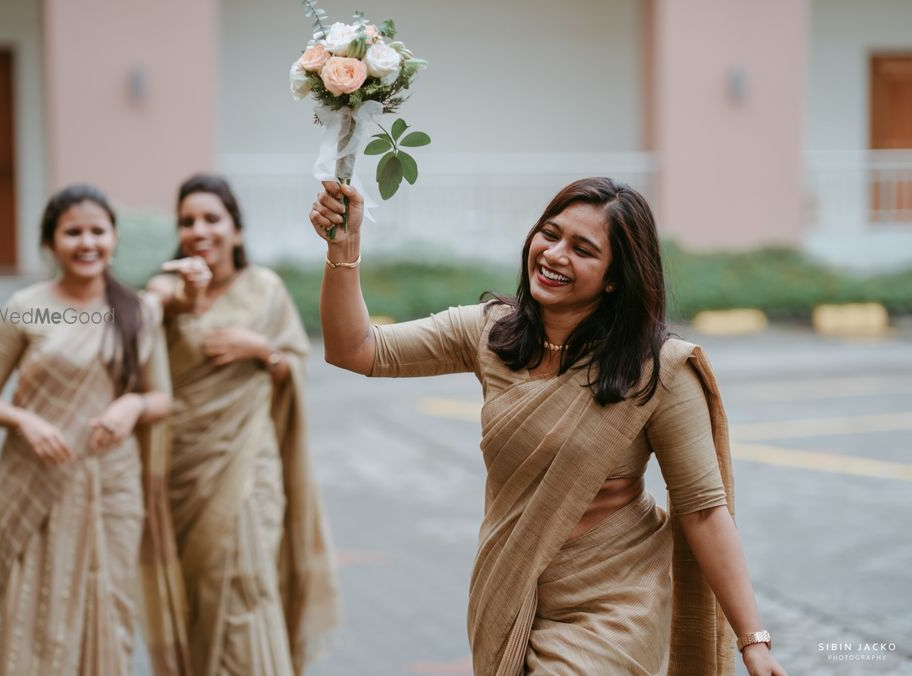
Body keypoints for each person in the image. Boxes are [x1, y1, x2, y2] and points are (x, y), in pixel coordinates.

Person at [309, 177, 788, 676]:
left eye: (582, 249)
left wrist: (752, 639)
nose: (555, 255)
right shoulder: (491, 332)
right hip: (511, 588)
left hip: (616, 598)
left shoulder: (658, 370)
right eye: (550, 234)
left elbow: (704, 511)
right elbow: (356, 349)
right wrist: (344, 247)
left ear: (614, 278)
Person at [0, 184, 189, 675]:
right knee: (32, 612)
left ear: (113, 237)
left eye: (97, 230)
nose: (86, 242)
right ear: (50, 242)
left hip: (112, 484)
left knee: (109, 608)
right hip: (34, 480)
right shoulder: (25, 307)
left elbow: (162, 397)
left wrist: (131, 405)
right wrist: (23, 420)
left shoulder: (138, 311)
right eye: (73, 232)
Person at [147, 174, 338, 675]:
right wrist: (178, 298)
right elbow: (141, 331)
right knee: (195, 596)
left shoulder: (264, 290)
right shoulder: (166, 292)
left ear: (236, 230)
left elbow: (294, 365)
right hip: (183, 470)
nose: (199, 230)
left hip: (249, 468)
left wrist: (263, 350)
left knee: (247, 589)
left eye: (212, 219)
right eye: (187, 221)